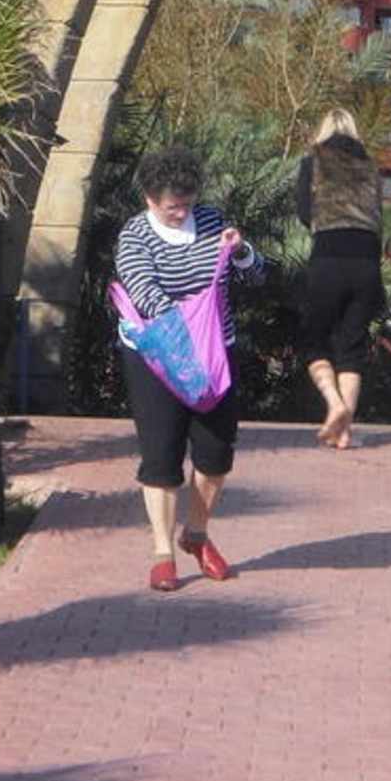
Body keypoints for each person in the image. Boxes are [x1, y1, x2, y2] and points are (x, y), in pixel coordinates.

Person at [112, 147, 265, 592]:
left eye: (187, 204)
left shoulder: (213, 222)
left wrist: (240, 251)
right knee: (161, 456)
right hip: (157, 359)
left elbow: (256, 276)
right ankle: (163, 553)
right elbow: (144, 292)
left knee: (216, 452)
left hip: (215, 355)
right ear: (149, 199)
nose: (181, 213)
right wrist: (187, 328)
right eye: (171, 207)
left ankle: (196, 534)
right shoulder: (135, 236)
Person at [295, 108, 384, 451]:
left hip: (328, 258)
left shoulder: (312, 161)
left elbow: (304, 212)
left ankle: (334, 404)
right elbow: (378, 215)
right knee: (352, 347)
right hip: (367, 261)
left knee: (314, 341)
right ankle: (344, 433)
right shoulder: (370, 165)